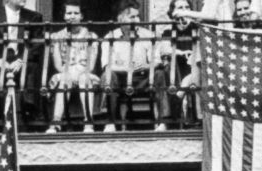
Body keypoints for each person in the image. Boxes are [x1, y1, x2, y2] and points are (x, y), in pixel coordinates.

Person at [100, 1, 155, 132]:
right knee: (108, 76)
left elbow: (156, 61)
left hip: (142, 78)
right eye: (132, 17)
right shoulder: (110, 37)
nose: (137, 20)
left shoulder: (148, 35)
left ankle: (162, 122)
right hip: (121, 79)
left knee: (159, 74)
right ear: (121, 18)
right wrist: (126, 69)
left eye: (138, 16)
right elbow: (107, 65)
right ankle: (111, 122)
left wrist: (146, 66)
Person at [47, 0, 98, 133]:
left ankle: (88, 123)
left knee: (84, 79)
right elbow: (58, 65)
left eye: (76, 13)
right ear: (64, 16)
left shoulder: (91, 36)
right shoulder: (56, 36)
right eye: (69, 13)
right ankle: (56, 122)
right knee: (64, 78)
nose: (72, 16)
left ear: (81, 16)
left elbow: (90, 65)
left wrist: (76, 73)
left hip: (84, 72)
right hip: (66, 72)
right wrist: (69, 74)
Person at [152, 0, 198, 131]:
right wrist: (181, 52)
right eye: (180, 7)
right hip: (176, 69)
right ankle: (166, 120)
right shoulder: (169, 30)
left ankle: (182, 103)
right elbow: (165, 49)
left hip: (193, 69)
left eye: (187, 7)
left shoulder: (197, 28)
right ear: (173, 13)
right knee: (164, 70)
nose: (184, 10)